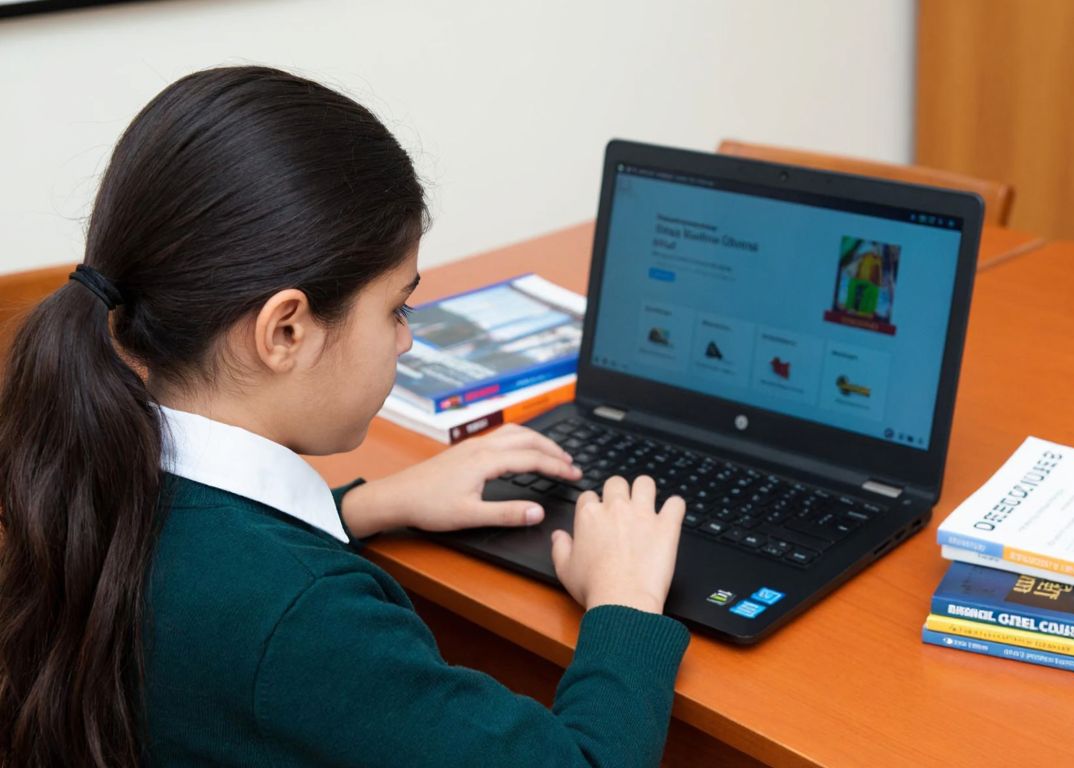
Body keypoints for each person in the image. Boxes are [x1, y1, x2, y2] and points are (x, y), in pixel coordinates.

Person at [0, 66, 689, 768]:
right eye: (398, 307)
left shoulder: (94, 457)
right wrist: (625, 604)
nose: (406, 338)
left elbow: (214, 557)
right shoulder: (307, 619)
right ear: (285, 332)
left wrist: (363, 507)